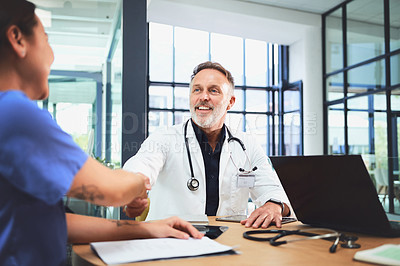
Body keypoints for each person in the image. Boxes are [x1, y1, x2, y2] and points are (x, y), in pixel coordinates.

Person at [0, 1, 202, 265]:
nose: (52, 55)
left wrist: (146, 229)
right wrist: (140, 183)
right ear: (18, 39)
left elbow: (53, 221)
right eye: (46, 39)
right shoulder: (15, 112)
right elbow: (113, 192)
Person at [123, 61, 294, 229]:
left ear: (230, 102)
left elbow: (273, 189)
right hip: (172, 242)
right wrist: (134, 185)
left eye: (213, 91)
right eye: (197, 90)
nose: (203, 97)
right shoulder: (165, 138)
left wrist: (274, 205)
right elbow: (143, 163)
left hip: (229, 243)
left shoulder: (247, 144)